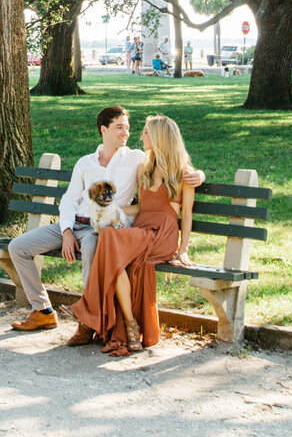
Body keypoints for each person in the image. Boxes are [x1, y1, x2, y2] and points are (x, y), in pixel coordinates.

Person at [7, 106, 203, 342]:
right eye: (120, 127)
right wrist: (66, 231)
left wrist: (199, 175)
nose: (128, 133)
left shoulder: (136, 159)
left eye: (129, 128)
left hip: (103, 230)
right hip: (75, 224)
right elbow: (69, 200)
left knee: (94, 247)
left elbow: (175, 167)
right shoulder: (87, 163)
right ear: (104, 130)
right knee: (17, 247)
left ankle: (87, 324)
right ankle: (43, 311)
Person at [70, 114, 197, 355]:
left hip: (161, 233)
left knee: (108, 241)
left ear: (160, 137)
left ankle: (89, 313)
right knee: (109, 240)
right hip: (141, 229)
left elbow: (186, 214)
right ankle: (129, 322)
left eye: (147, 133)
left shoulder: (183, 172)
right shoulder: (146, 167)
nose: (141, 137)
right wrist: (108, 210)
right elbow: (140, 208)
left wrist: (183, 249)